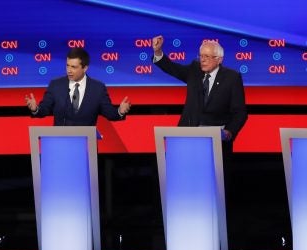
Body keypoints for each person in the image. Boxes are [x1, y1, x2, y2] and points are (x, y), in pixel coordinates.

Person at [152, 35, 248, 229]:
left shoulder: (231, 77)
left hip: (217, 143)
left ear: (218, 59)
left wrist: (230, 132)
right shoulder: (194, 71)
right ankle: (185, 224)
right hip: (188, 140)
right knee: (185, 185)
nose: (202, 59)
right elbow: (172, 68)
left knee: (214, 190)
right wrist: (158, 53)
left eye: (207, 56)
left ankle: (215, 226)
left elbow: (240, 112)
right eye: (201, 55)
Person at [25, 47, 131, 126]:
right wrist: (35, 109)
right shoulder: (56, 85)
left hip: (86, 146)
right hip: (59, 144)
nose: (69, 70)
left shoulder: (97, 88)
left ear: (85, 68)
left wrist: (120, 111)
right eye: (67, 65)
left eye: (74, 67)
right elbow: (44, 109)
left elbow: (110, 113)